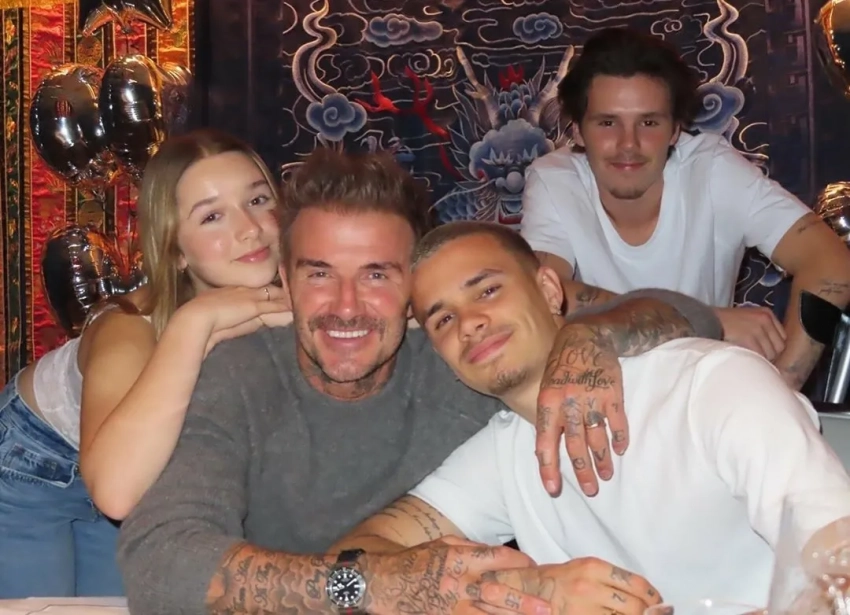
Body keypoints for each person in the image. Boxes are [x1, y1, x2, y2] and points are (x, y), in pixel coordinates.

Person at [116, 148, 722, 615]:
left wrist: (589, 338)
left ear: (413, 291)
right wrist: (369, 585)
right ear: (286, 282)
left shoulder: (460, 358)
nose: (346, 306)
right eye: (320, 274)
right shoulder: (238, 373)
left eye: (377, 275)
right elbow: (159, 562)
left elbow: (690, 317)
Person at [335, 221, 850, 613]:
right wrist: (519, 587)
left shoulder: (709, 385)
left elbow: (839, 561)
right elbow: (355, 556)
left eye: (488, 290)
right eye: (444, 318)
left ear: (549, 290)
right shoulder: (502, 453)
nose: (469, 323)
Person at [0, 129, 292, 599]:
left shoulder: (289, 295)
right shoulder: (129, 330)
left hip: (141, 471)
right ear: (175, 250)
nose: (249, 229)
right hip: (32, 470)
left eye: (258, 200)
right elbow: (117, 489)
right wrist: (194, 323)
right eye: (212, 216)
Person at [520, 27, 850, 390]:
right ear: (578, 131)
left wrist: (783, 384)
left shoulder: (712, 171)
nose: (628, 144)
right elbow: (540, 296)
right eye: (607, 123)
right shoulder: (555, 181)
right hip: (597, 393)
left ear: (676, 130)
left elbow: (829, 261)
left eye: (649, 122)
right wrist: (700, 319)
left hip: (702, 395)